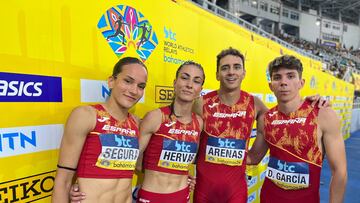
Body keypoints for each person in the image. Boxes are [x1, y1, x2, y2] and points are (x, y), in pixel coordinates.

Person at [192, 47, 328, 203]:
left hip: (235, 191)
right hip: (204, 190)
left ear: (243, 73)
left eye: (237, 67)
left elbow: (285, 116)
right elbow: (185, 138)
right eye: (225, 68)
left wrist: (314, 102)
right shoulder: (201, 103)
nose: (231, 72)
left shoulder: (255, 104)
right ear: (217, 74)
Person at [247, 55, 347, 203]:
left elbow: (340, 171)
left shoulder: (323, 114)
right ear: (271, 85)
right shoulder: (266, 119)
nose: (283, 82)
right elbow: (253, 158)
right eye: (277, 77)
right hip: (269, 198)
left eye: (290, 76)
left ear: (301, 83)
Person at [52, 57, 148, 203]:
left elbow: (145, 167)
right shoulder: (86, 115)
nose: (134, 90)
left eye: (141, 86)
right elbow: (63, 180)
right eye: (127, 81)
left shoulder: (137, 123)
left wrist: (184, 175)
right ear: (111, 81)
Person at [136, 61, 205, 203]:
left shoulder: (199, 122)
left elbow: (187, 162)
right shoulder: (155, 117)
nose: (189, 85)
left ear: (200, 90)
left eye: (196, 81)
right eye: (184, 78)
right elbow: (131, 161)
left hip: (182, 196)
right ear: (175, 83)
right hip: (152, 196)